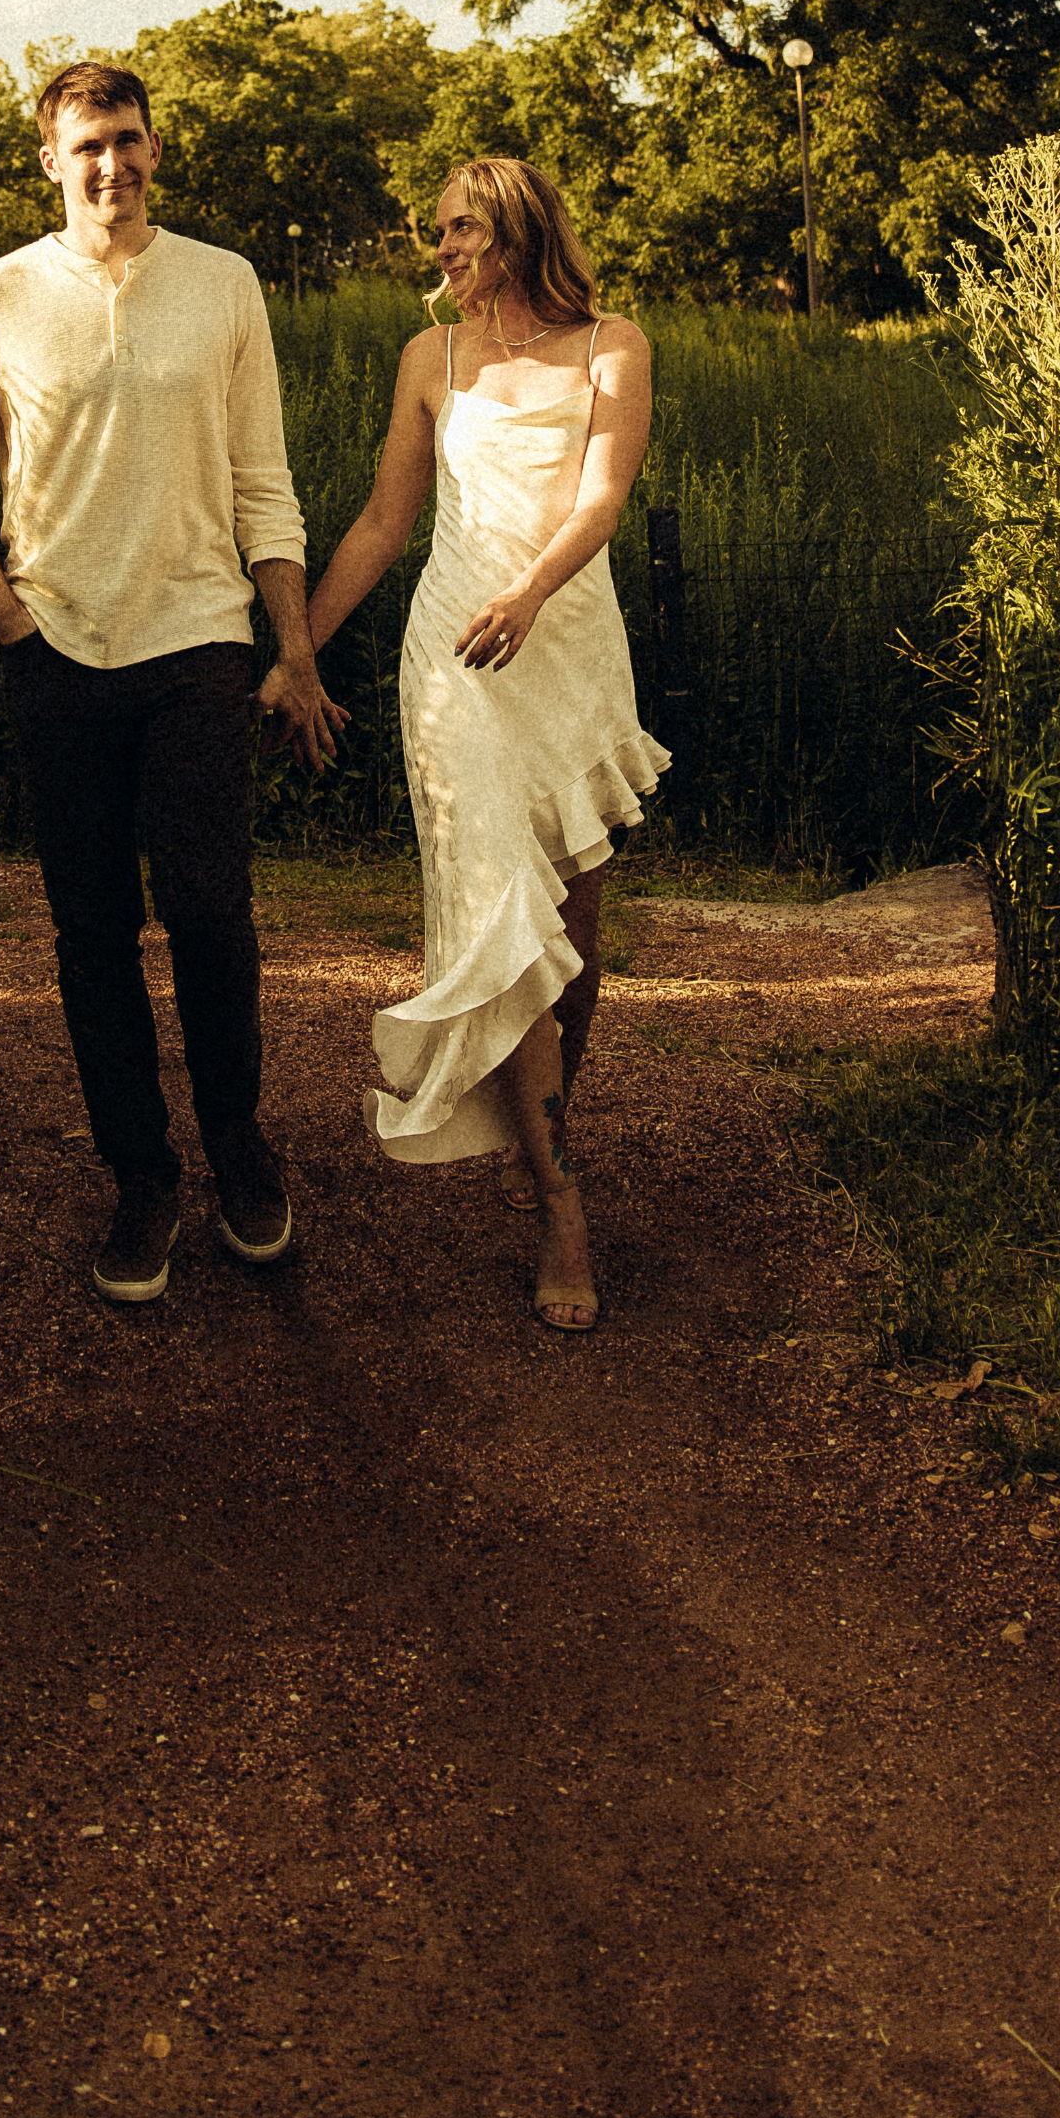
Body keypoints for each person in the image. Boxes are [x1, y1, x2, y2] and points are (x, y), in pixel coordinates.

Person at [0, 60, 340, 1309]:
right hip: (57, 651)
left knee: (211, 915)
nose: (111, 162)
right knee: (92, 932)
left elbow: (263, 481)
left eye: (129, 140)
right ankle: (140, 1179)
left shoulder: (224, 285)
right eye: (86, 144)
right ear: (50, 160)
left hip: (199, 643)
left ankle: (240, 1156)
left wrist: (293, 644)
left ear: (157, 150)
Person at [301, 158, 664, 1332]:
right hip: (455, 656)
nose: (443, 247)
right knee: (503, 920)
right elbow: (380, 521)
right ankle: (562, 1202)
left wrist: (531, 595)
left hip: (563, 646)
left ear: (516, 234)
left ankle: (542, 1121)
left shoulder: (614, 343)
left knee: (576, 926)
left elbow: (600, 501)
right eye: (440, 229)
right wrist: (297, 650)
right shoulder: (430, 361)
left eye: (462, 228)